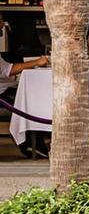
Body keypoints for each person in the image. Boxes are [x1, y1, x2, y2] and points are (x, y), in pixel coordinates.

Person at [0, 14, 50, 157]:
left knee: (33, 96)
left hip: (6, 87)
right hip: (2, 93)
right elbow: (6, 70)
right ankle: (31, 145)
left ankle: (36, 144)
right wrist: (36, 62)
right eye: (0, 20)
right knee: (30, 102)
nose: (3, 25)